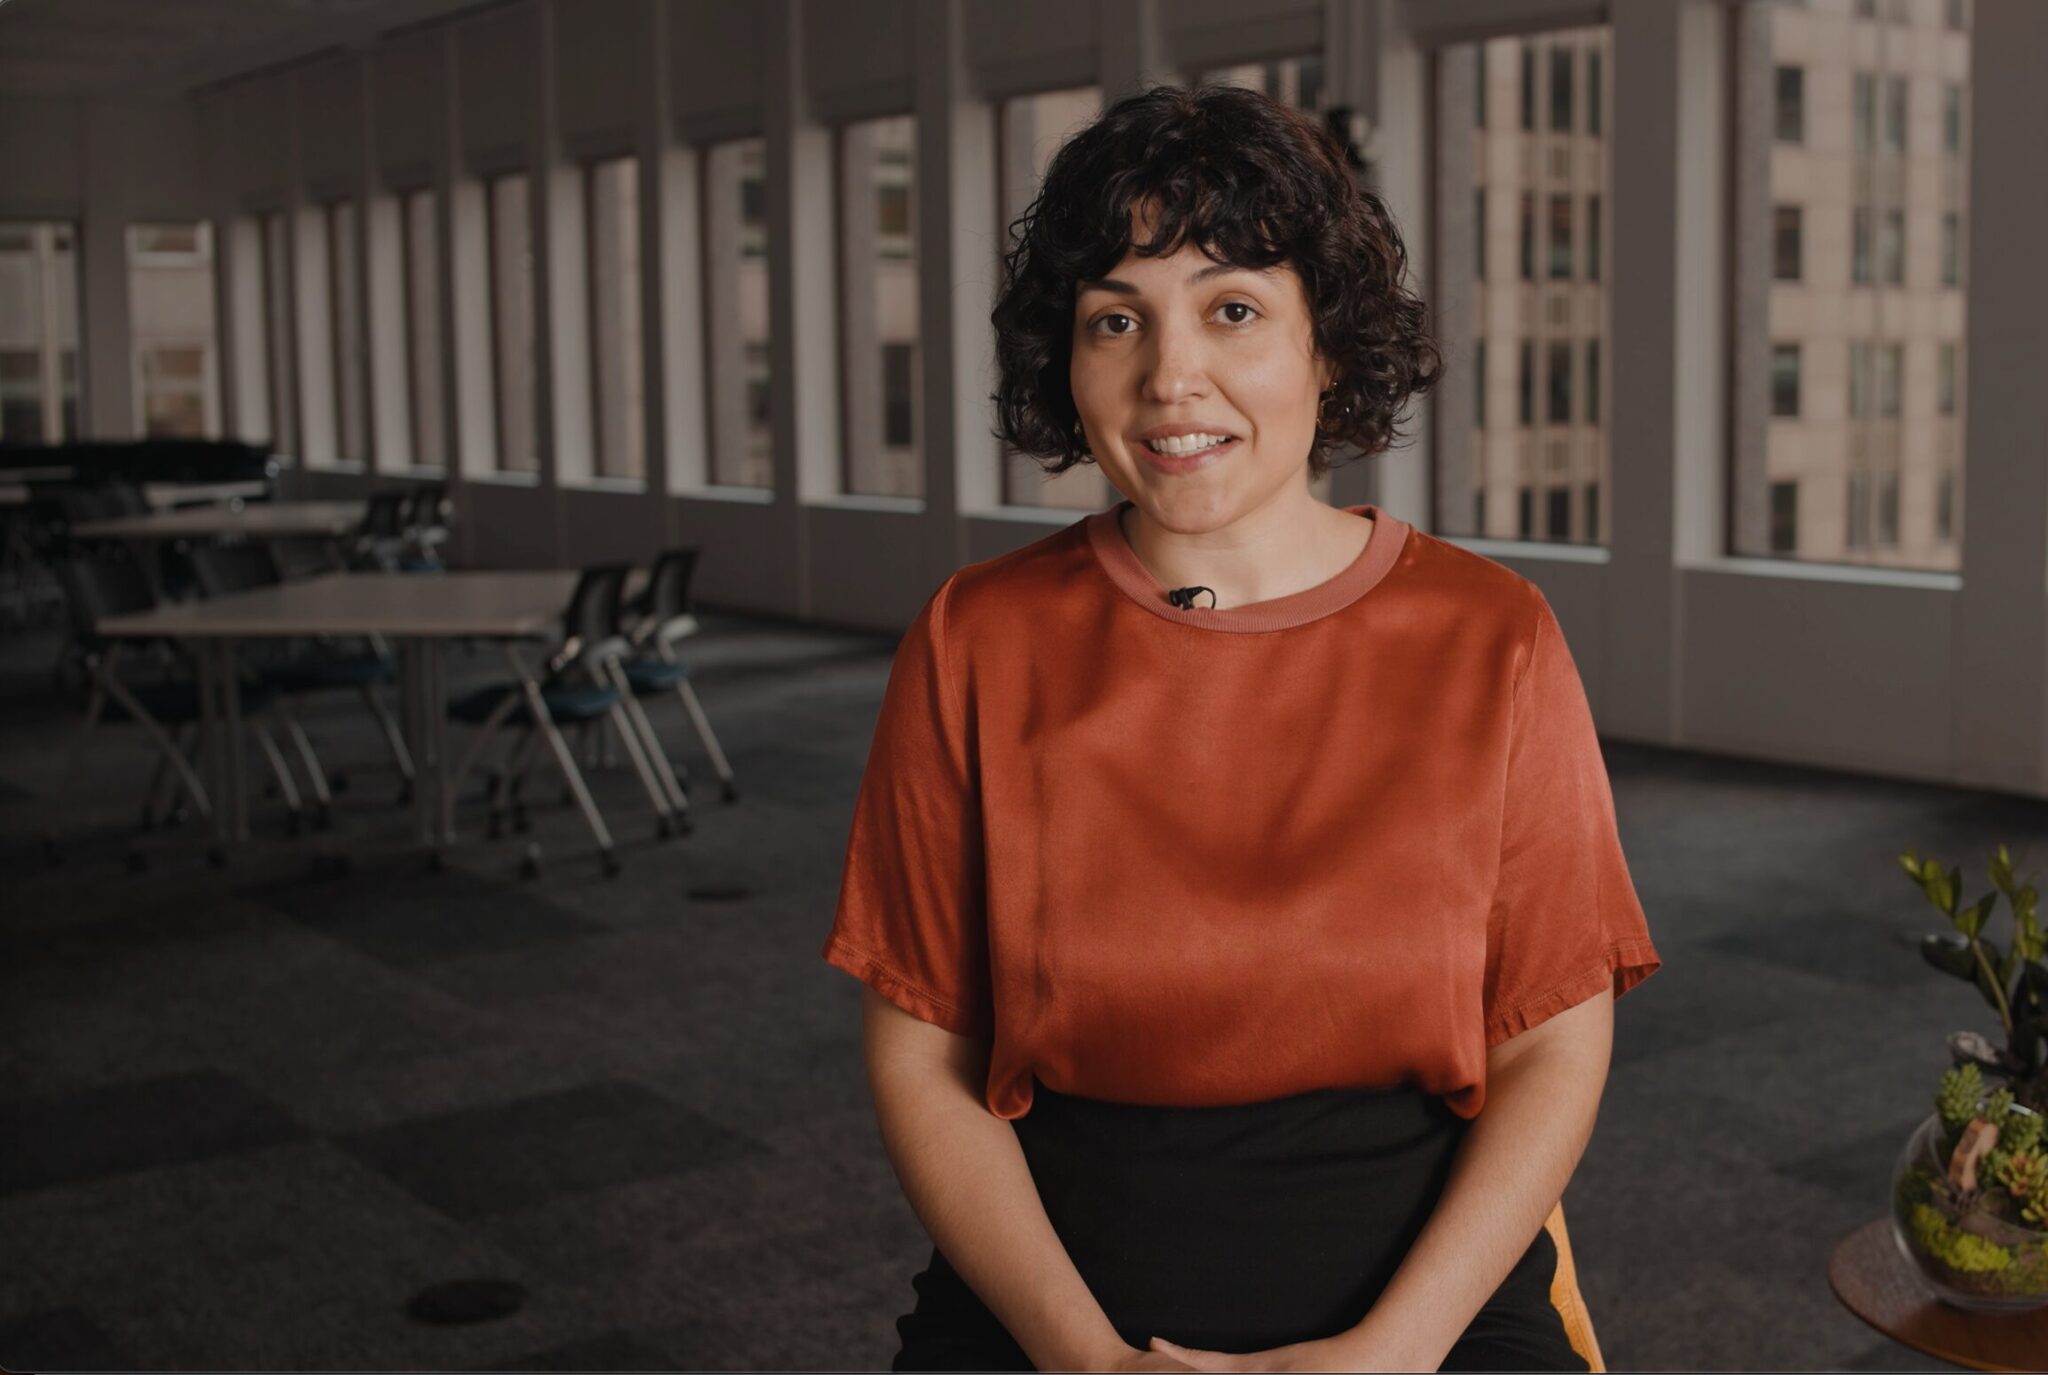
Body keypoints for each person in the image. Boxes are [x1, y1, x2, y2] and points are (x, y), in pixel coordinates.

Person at [820, 82, 1662, 1373]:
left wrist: (1393, 1351)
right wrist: (1088, 1362)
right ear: (1070, 357)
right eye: (1118, 319)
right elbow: (926, 1061)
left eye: (1233, 309)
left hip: (1420, 1289)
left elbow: (1552, 1037)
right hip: (1054, 1284)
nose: (1171, 377)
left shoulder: (1489, 633)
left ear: (1327, 346)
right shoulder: (975, 636)